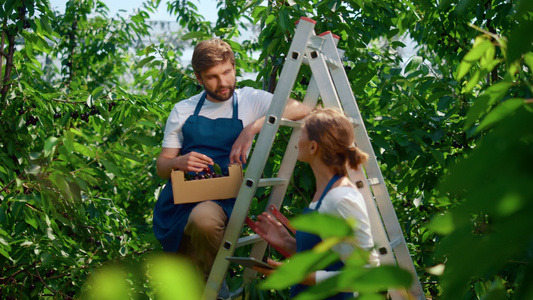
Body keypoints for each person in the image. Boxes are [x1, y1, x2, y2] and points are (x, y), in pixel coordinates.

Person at [152, 38, 309, 299]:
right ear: (198, 79)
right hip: (179, 201)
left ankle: (217, 291)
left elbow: (300, 108)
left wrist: (253, 128)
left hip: (221, 198)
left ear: (234, 67)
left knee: (204, 221)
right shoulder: (183, 110)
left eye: (227, 72)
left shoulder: (249, 100)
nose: (222, 83)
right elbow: (161, 166)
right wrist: (179, 162)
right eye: (212, 77)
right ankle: (213, 290)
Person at [252, 107, 380, 299]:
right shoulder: (325, 192)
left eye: (301, 134)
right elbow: (329, 258)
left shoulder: (341, 198)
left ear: (313, 147)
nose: (297, 140)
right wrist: (286, 242)